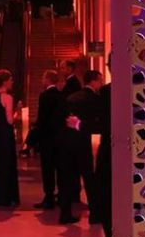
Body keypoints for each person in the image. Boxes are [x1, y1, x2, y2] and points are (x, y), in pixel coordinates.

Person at [65, 70, 104, 222]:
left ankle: (66, 212)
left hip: (69, 141)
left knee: (68, 177)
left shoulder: (72, 98)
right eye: (99, 80)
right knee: (88, 177)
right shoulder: (96, 99)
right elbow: (98, 123)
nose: (101, 83)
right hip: (83, 141)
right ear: (93, 81)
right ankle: (95, 213)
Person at [92, 58, 112, 237]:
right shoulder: (142, 89)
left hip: (110, 152)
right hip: (138, 155)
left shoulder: (107, 92)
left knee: (107, 200)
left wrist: (78, 124)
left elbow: (101, 123)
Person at [0, 69, 20, 207]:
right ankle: (8, 196)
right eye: (11, 79)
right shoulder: (7, 97)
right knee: (8, 163)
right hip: (6, 134)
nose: (12, 82)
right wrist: (17, 112)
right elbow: (10, 120)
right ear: (5, 81)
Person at [34, 70, 64, 209]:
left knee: (48, 169)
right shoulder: (61, 95)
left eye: (43, 78)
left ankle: (49, 197)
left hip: (47, 138)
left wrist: (35, 137)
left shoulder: (44, 96)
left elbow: (42, 118)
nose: (42, 80)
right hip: (59, 138)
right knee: (60, 168)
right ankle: (62, 196)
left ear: (48, 79)